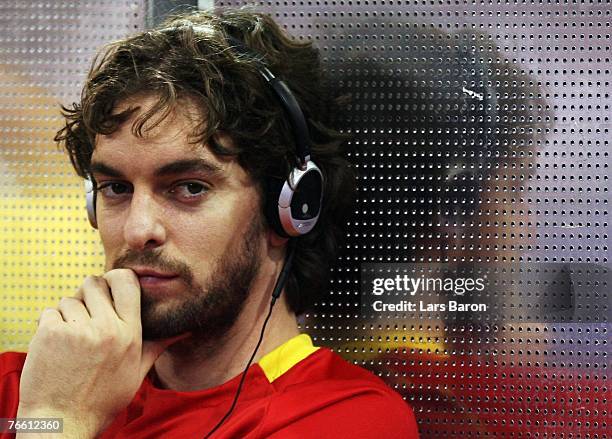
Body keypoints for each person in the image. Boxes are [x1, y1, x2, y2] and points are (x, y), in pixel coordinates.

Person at [0, 8, 419, 438]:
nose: (137, 229)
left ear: (288, 208)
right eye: (116, 189)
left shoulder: (343, 418)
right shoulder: (29, 385)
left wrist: (58, 419)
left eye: (189, 188)